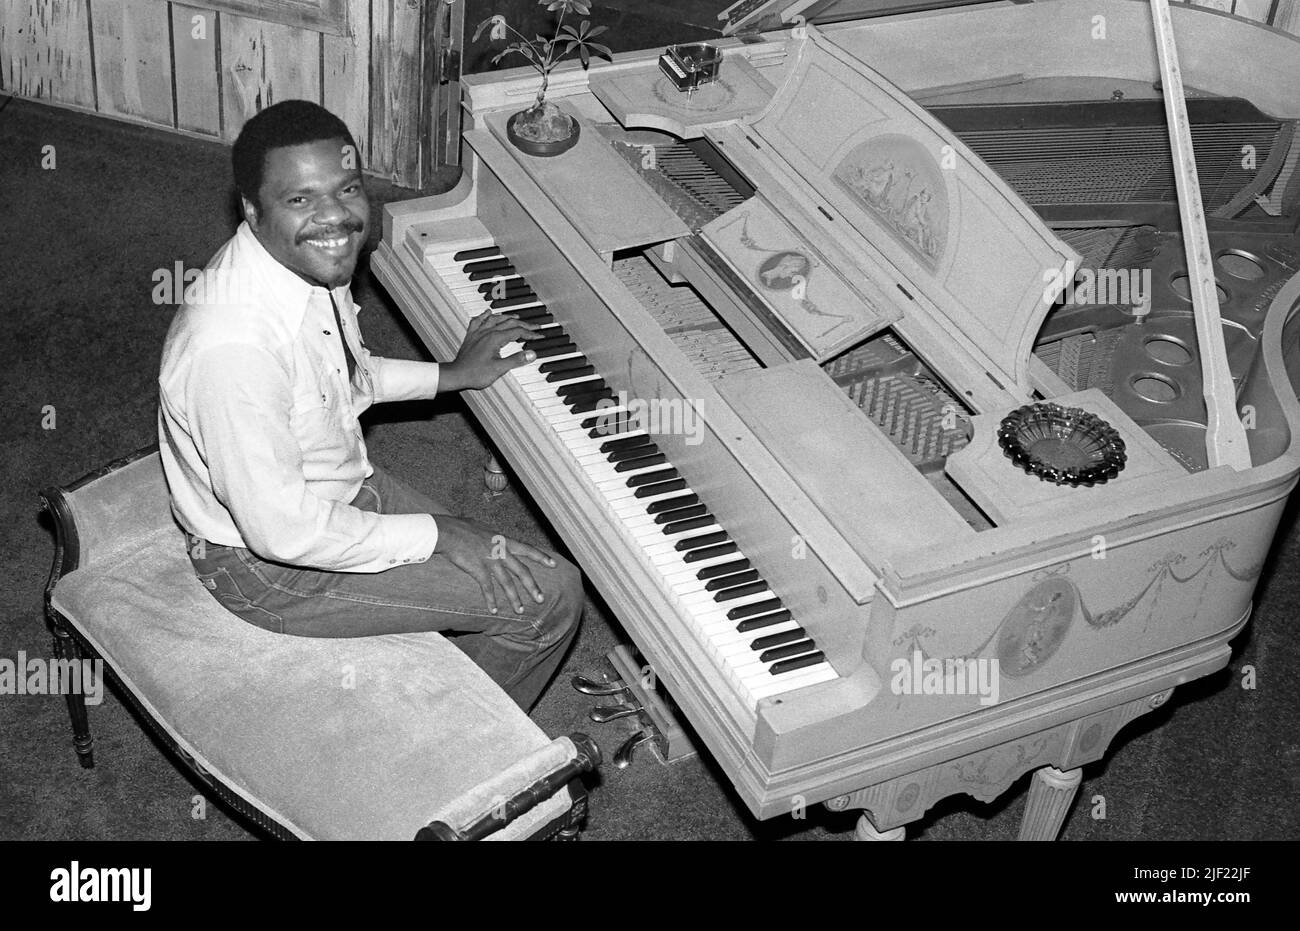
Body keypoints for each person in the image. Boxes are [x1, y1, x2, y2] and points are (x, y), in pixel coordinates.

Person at [157, 100, 582, 711]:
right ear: (252, 210)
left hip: (335, 490)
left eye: (347, 188)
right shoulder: (233, 350)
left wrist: (453, 375)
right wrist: (436, 533)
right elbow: (282, 531)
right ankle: (452, 759)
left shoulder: (306, 268)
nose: (335, 217)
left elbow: (343, 378)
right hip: (266, 567)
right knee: (549, 597)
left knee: (506, 566)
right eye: (299, 200)